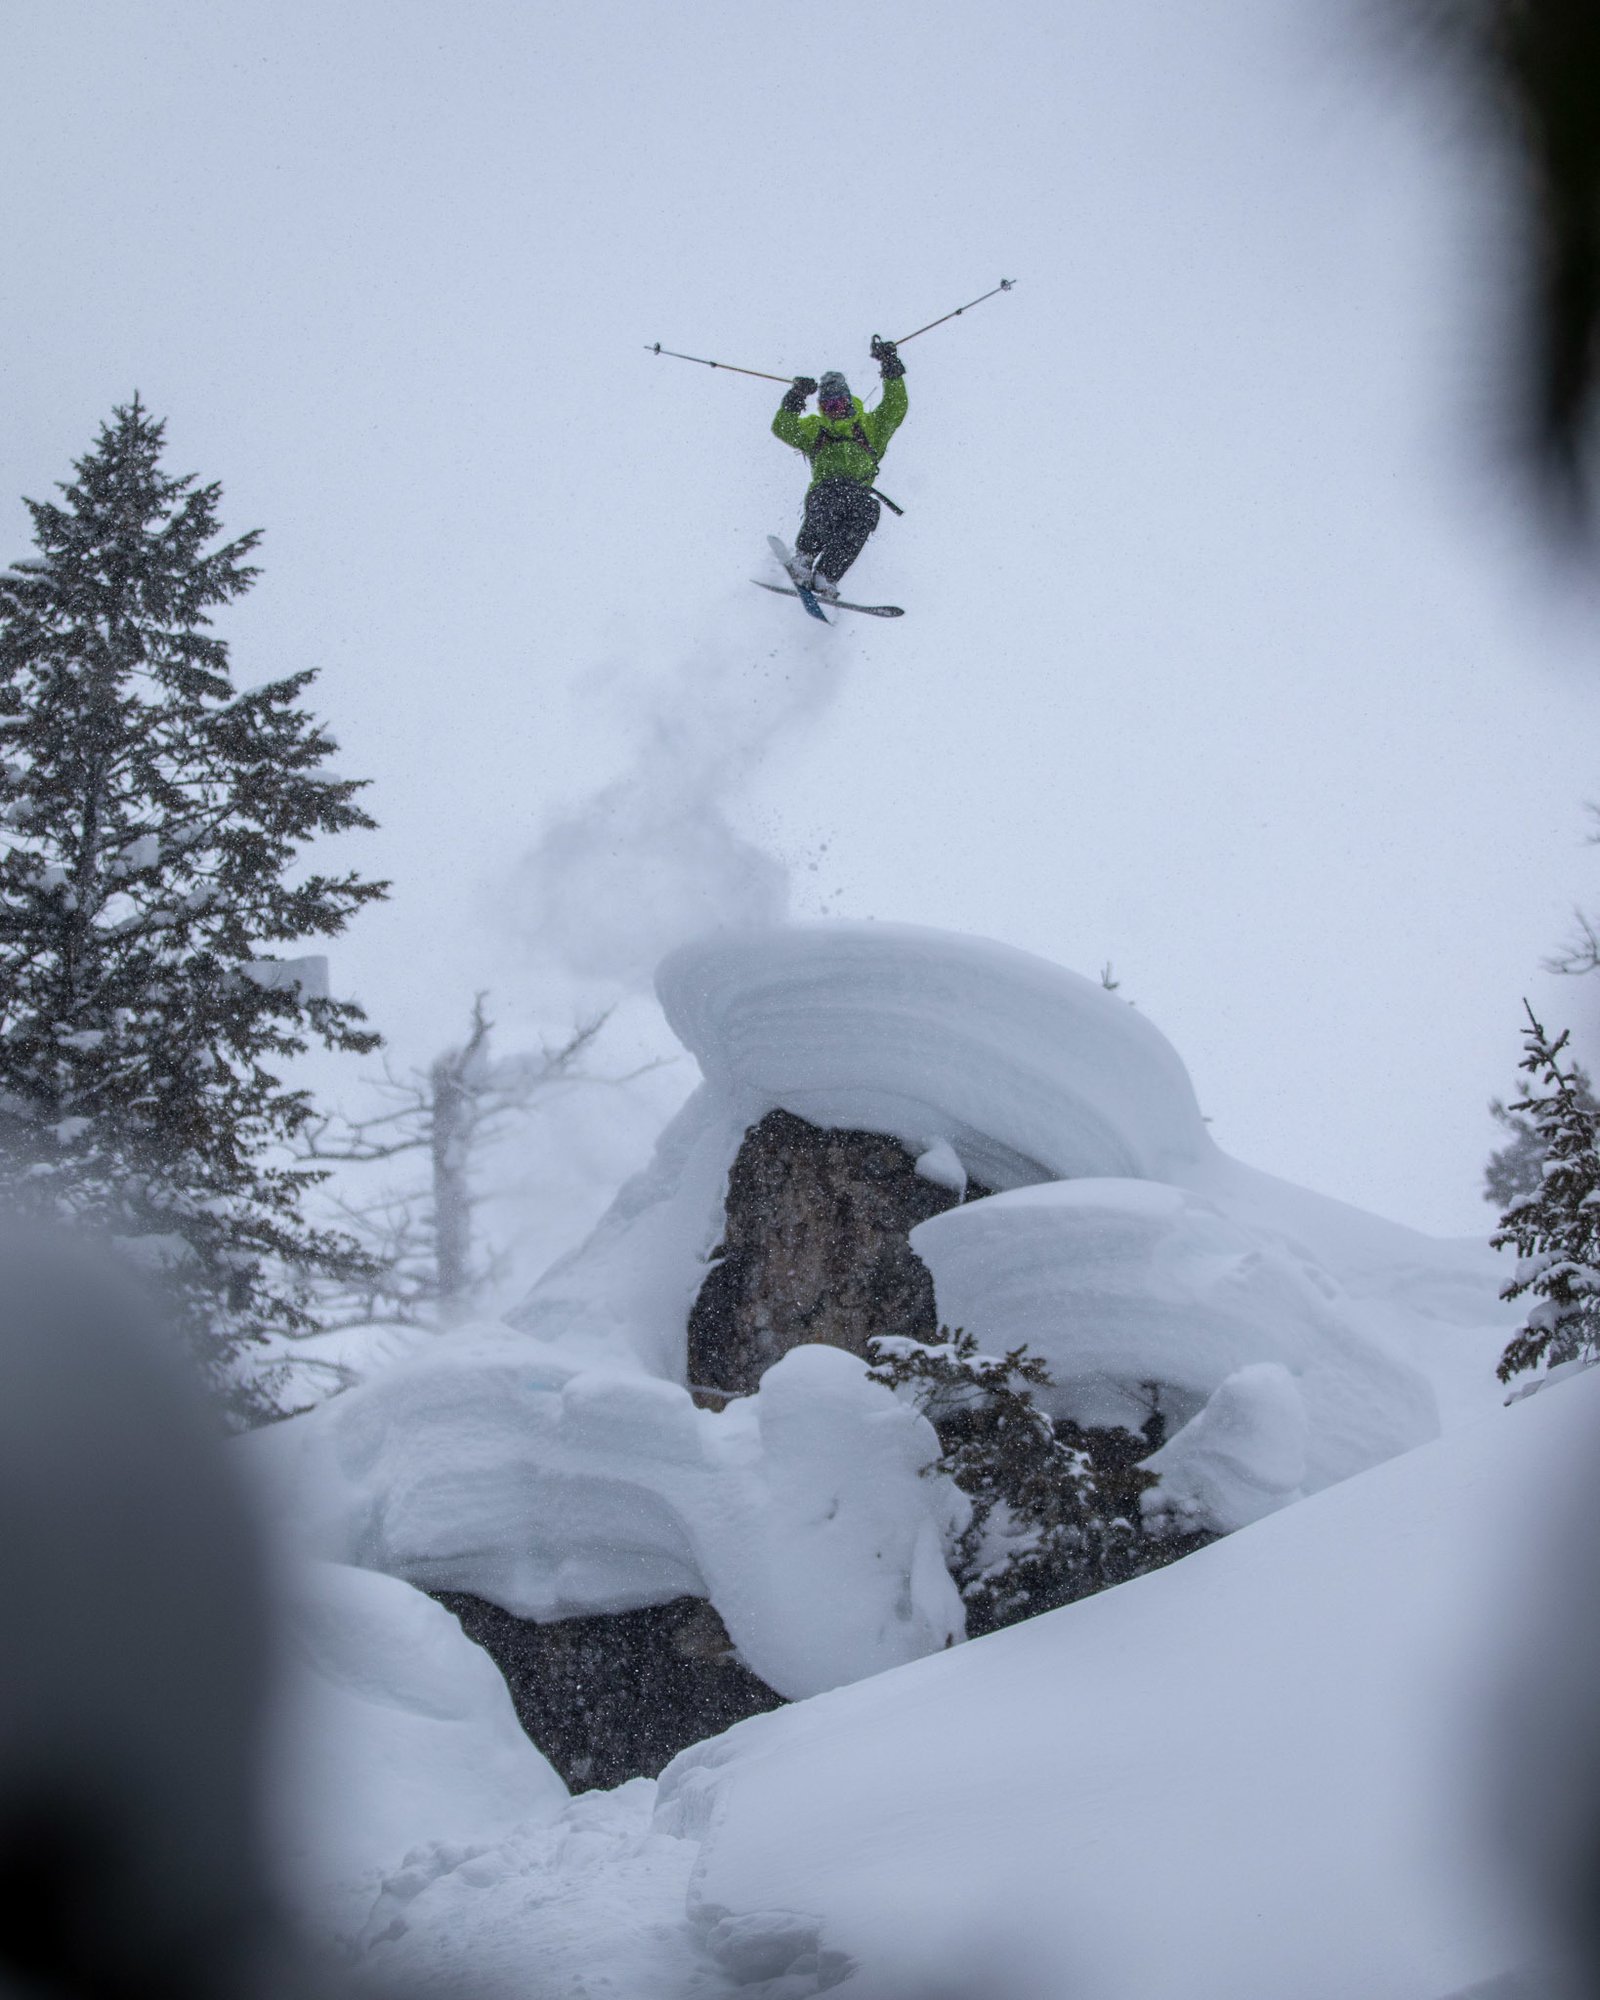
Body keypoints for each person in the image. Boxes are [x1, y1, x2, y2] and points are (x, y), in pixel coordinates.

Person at [772, 336, 907, 597]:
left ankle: (827, 575)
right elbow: (783, 427)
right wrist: (795, 397)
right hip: (825, 491)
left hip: (857, 494)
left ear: (848, 401)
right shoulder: (815, 428)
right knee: (832, 498)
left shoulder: (870, 427)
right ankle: (804, 558)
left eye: (839, 404)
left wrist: (890, 366)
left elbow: (895, 407)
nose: (834, 411)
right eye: (828, 406)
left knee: (868, 510)